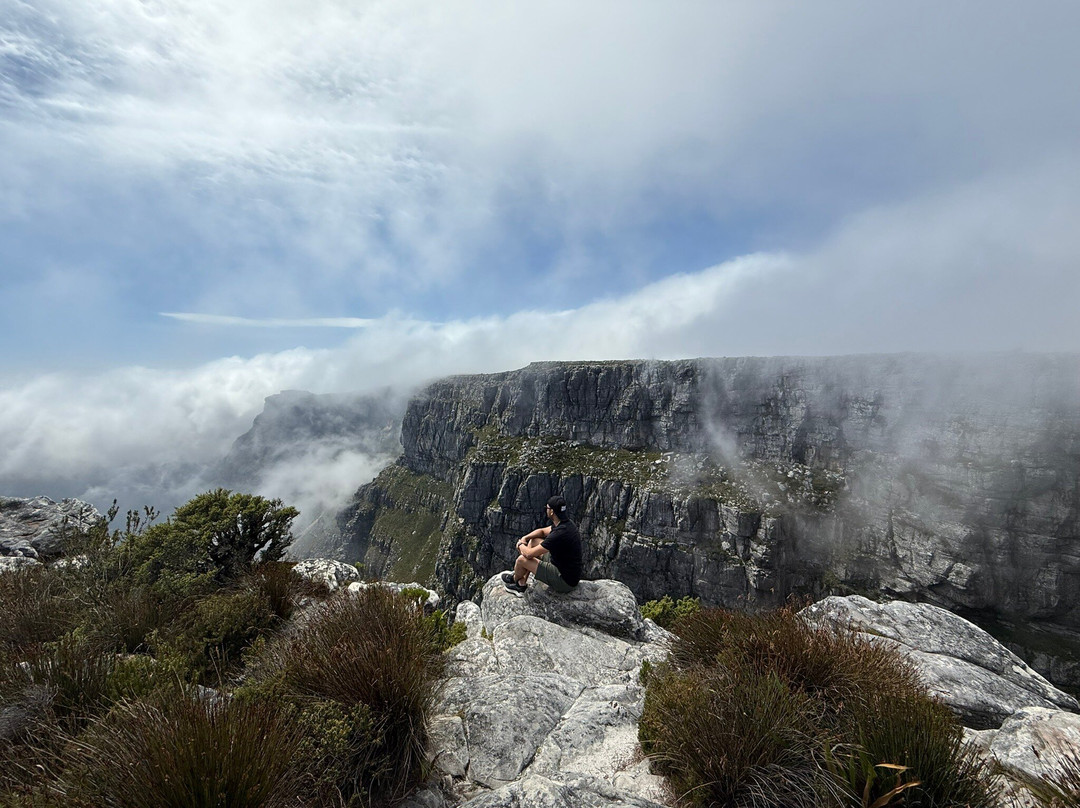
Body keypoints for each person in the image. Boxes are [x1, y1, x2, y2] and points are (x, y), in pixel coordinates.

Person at [502, 495, 582, 596]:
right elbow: (542, 532)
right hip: (565, 569)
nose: (546, 510)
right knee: (533, 541)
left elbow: (529, 554)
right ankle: (522, 582)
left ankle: (516, 581)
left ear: (552, 512)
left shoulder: (559, 534)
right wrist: (525, 538)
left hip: (564, 581)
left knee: (521, 560)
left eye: (547, 508)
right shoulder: (565, 524)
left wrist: (520, 544)